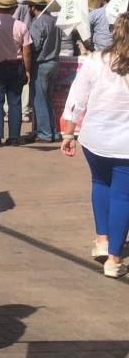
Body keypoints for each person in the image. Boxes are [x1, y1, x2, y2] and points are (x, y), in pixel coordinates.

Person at [61, 14, 129, 278]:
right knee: (123, 196)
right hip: (125, 143)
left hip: (95, 137)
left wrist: (69, 134)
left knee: (100, 184)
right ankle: (114, 258)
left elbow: (77, 98)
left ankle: (102, 240)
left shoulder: (94, 61)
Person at [0, 0, 32, 147]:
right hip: (15, 65)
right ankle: (14, 137)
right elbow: (26, 51)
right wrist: (27, 70)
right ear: (14, 9)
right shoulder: (21, 25)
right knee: (15, 101)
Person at [25, 0, 63, 143]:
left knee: (39, 100)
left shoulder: (38, 22)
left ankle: (45, 133)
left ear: (33, 7)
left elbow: (35, 44)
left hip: (41, 63)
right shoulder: (54, 20)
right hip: (54, 62)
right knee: (47, 99)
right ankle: (52, 131)